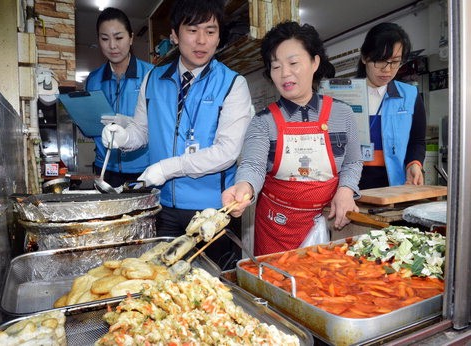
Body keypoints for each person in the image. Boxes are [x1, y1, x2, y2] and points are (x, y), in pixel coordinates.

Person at [101, 0, 252, 267]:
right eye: (192, 30)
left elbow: (227, 152)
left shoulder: (233, 84)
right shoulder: (153, 79)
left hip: (212, 211)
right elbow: (141, 131)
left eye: (210, 31)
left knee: (211, 287)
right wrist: (123, 138)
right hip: (162, 208)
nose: (202, 41)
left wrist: (169, 167)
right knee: (161, 280)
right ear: (174, 34)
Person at [221, 21, 363, 256]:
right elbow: (253, 166)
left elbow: (353, 162)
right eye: (276, 67)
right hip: (276, 228)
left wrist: (346, 189)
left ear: (315, 62)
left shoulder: (343, 114)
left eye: (293, 63)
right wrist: (243, 189)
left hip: (327, 223)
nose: (285, 73)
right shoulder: (263, 121)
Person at [85, 7, 153, 187]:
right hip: (105, 168)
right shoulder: (93, 80)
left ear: (131, 37)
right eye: (105, 39)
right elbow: (90, 129)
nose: (112, 46)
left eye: (119, 38)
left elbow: (162, 126)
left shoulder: (152, 75)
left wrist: (128, 122)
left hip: (143, 168)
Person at [356, 22, 426, 189]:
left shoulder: (410, 95)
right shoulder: (344, 96)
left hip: (394, 186)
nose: (387, 70)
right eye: (380, 61)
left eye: (395, 62)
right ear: (365, 57)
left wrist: (414, 164)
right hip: (350, 187)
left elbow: (417, 141)